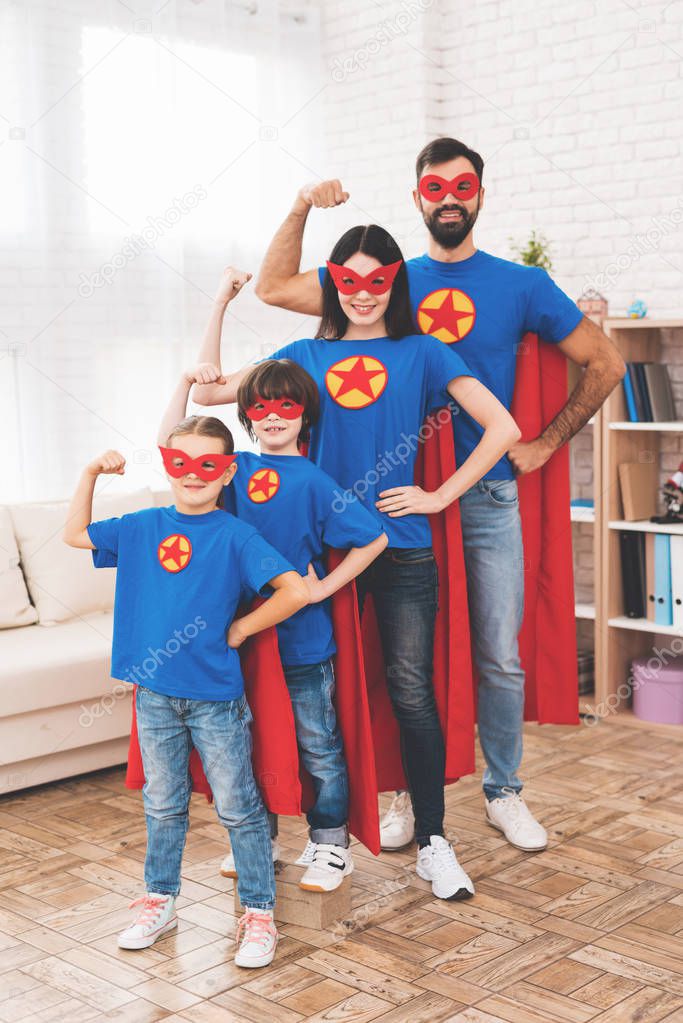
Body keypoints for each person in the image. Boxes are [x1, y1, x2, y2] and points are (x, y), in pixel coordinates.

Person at [250, 137, 626, 854]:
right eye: (433, 187)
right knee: (387, 655)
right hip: (382, 502)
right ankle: (397, 794)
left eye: (461, 186)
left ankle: (503, 790)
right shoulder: (383, 279)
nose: (447, 198)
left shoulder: (522, 285)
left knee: (496, 651)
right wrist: (300, 202)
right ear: (416, 196)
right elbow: (272, 287)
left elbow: (604, 362)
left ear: (480, 193)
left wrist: (542, 444)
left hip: (480, 494)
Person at [192, 227, 520, 900]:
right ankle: (317, 835)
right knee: (303, 693)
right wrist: (219, 305)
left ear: (395, 280)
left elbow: (504, 427)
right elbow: (209, 395)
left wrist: (439, 494)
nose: (363, 295)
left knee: (408, 689)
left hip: (397, 545)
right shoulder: (303, 353)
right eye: (349, 280)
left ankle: (432, 838)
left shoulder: (423, 351)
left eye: (377, 280)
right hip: (316, 553)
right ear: (332, 280)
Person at [63, 416, 309, 968]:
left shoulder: (236, 535)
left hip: (216, 699)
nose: (192, 475)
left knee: (240, 808)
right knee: (163, 803)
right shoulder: (142, 525)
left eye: (207, 465)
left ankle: (259, 911)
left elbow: (294, 590)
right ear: (167, 466)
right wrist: (89, 474)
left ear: (226, 474)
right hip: (153, 696)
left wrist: (244, 629)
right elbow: (75, 535)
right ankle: (160, 899)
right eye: (181, 463)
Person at [158, 327, 387, 893]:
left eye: (286, 405)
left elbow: (373, 538)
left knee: (318, 743)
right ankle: (255, 837)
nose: (273, 415)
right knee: (249, 745)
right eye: (260, 406)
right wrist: (184, 382)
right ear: (247, 417)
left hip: (303, 641)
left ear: (305, 413)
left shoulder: (313, 478)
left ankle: (331, 844)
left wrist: (324, 588)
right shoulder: (230, 473)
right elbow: (175, 448)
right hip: (242, 639)